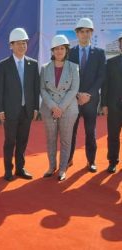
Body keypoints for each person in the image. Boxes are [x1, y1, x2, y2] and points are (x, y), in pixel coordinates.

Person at [0, 28, 40, 181]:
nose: (22, 46)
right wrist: (0, 109)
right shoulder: (3, 65)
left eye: (24, 43)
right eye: (18, 43)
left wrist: (35, 108)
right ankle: (8, 169)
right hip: (10, 111)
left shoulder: (32, 64)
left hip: (27, 110)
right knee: (10, 141)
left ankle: (20, 168)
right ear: (11, 45)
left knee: (22, 141)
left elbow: (35, 88)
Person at [68, 17, 106, 172]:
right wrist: (76, 94)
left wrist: (88, 94)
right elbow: (67, 77)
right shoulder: (70, 53)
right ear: (77, 34)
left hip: (91, 100)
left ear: (92, 33)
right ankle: (68, 159)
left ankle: (91, 161)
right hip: (73, 99)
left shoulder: (99, 53)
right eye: (81, 32)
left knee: (90, 132)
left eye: (87, 31)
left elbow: (101, 77)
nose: (84, 34)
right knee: (71, 131)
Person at [40, 35, 79, 181]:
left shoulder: (74, 67)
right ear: (52, 51)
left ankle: (63, 169)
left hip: (68, 110)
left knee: (65, 140)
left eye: (62, 48)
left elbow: (73, 89)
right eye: (56, 48)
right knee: (50, 139)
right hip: (49, 110)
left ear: (66, 50)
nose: (59, 51)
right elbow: (42, 89)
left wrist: (60, 108)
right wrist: (53, 106)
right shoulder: (45, 68)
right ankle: (51, 166)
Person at [101, 33, 122, 174]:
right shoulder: (111, 62)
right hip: (115, 106)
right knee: (113, 135)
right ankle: (112, 161)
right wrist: (104, 104)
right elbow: (105, 85)